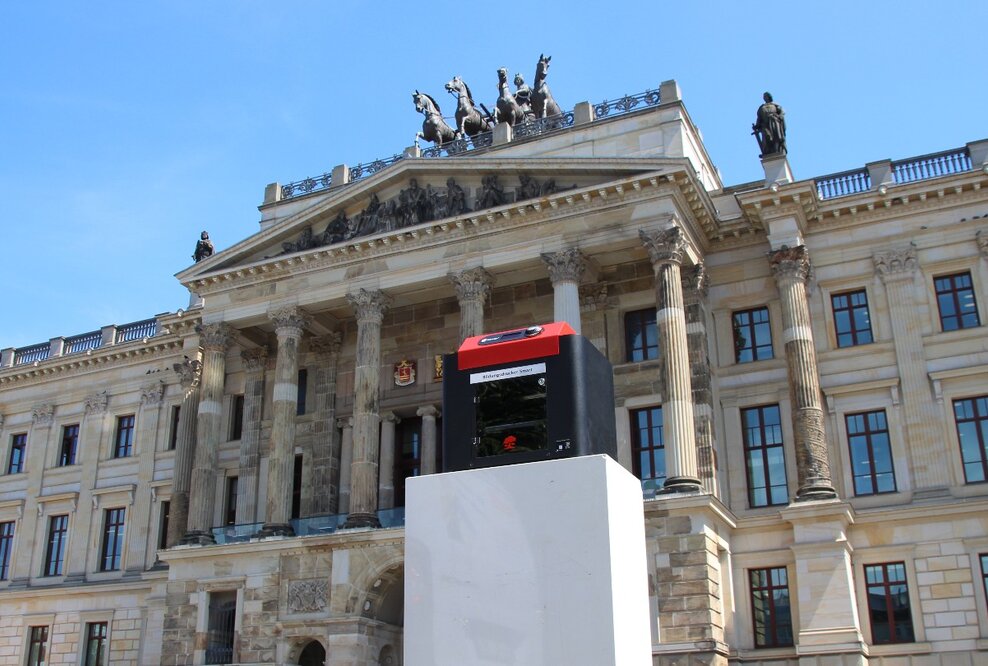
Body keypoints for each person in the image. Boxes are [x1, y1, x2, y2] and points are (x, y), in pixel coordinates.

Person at [752, 92, 786, 156]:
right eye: (764, 96)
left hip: (774, 122)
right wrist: (756, 126)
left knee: (776, 136)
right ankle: (768, 152)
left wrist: (779, 116)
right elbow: (759, 118)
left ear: (769, 97)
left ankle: (777, 150)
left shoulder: (775, 105)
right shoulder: (761, 107)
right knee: (767, 137)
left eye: (766, 96)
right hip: (765, 125)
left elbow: (782, 112)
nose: (765, 97)